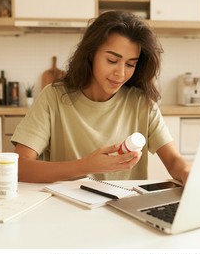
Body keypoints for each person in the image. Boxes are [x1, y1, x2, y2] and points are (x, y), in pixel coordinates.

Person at [11, 11, 190, 184]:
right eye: (112, 60)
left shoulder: (141, 103)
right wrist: (85, 166)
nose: (120, 73)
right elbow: (19, 167)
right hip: (68, 209)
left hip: (126, 208)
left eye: (130, 64)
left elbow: (174, 160)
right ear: (91, 54)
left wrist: (188, 173)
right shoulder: (54, 97)